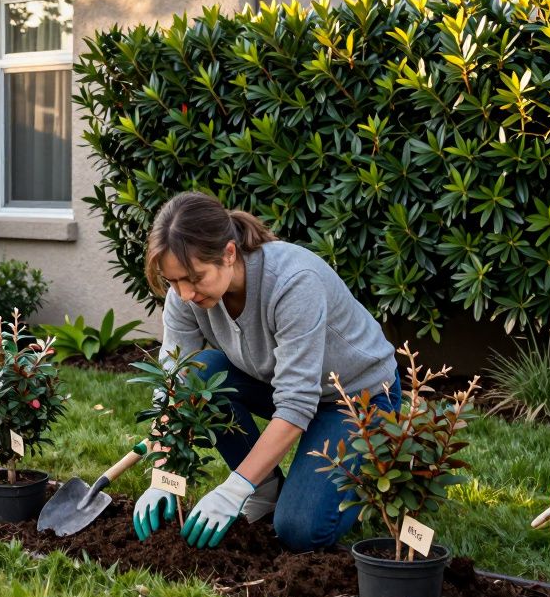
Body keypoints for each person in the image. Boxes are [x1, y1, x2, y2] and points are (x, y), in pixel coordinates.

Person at [132, 192, 401, 550]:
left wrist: (234, 488)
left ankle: (377, 464)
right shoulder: (185, 294)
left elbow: (295, 405)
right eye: (174, 281)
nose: (184, 294)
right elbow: (173, 381)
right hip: (283, 385)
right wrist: (162, 475)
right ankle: (268, 487)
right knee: (199, 378)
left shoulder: (293, 282)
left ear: (229, 254)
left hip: (357, 396)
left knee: (299, 530)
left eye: (194, 278)